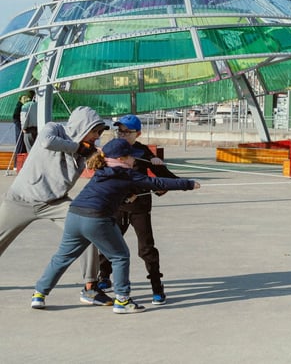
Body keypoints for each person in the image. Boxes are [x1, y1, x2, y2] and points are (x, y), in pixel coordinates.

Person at [29, 138, 200, 313]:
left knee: (62, 257)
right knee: (120, 256)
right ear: (122, 159)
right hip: (96, 219)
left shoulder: (102, 170)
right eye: (132, 157)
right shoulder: (126, 174)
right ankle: (123, 300)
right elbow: (158, 183)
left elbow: (109, 192)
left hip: (74, 215)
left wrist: (126, 197)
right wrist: (188, 184)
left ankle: (39, 294)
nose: (135, 160)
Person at [0, 106, 113, 305]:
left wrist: (105, 161)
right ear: (82, 126)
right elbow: (46, 142)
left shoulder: (87, 152)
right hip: (20, 200)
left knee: (88, 229)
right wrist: (79, 148)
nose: (96, 137)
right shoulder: (53, 129)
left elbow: (104, 173)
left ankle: (90, 288)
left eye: (99, 133)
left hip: (55, 202)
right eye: (95, 131)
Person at [96, 114, 178, 304]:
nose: (122, 135)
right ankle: (104, 276)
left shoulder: (143, 153)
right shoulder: (113, 149)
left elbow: (162, 178)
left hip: (139, 208)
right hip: (116, 206)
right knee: (108, 243)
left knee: (146, 249)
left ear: (138, 133)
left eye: (127, 132)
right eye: (120, 131)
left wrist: (165, 170)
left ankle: (157, 287)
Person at [11, 91, 34, 157]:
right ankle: (18, 163)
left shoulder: (25, 105)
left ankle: (19, 163)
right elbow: (15, 117)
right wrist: (22, 127)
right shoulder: (20, 106)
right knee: (20, 144)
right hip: (21, 128)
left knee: (23, 145)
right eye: (24, 98)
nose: (27, 99)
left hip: (24, 127)